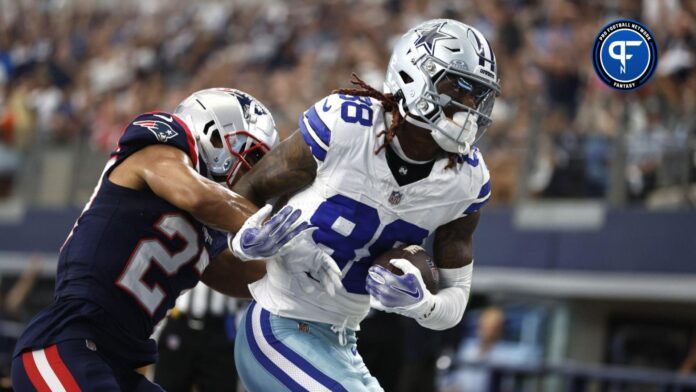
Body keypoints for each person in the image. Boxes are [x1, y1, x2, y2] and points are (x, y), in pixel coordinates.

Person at [232, 19, 500, 391]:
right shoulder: (346, 125)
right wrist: (244, 240)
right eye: (458, 88)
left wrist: (420, 303)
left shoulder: (466, 181)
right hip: (278, 324)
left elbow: (455, 300)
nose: (469, 107)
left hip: (342, 344)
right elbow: (249, 189)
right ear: (412, 75)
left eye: (478, 96)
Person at [10, 88, 336, 391]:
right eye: (250, 158)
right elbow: (193, 195)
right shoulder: (160, 141)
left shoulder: (212, 226)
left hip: (121, 364)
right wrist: (264, 226)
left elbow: (250, 279)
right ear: (216, 136)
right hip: (67, 340)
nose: (249, 175)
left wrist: (311, 269)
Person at [153, 95, 280, 392]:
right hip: (180, 319)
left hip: (222, 325)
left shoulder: (242, 201)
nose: (250, 164)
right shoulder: (182, 187)